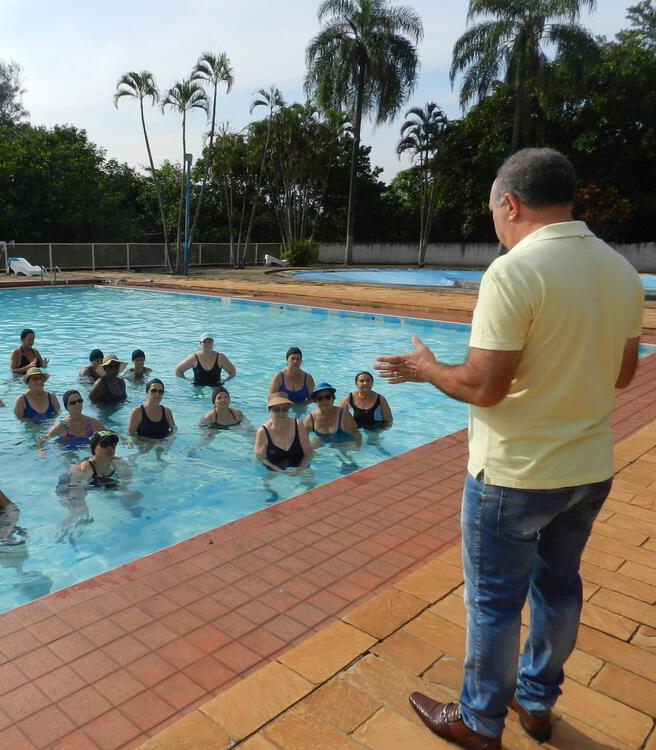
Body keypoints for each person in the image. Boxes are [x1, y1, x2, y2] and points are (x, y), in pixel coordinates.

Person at [373, 149, 644, 750]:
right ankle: (538, 700)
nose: (494, 224)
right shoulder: (622, 273)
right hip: (588, 469)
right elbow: (623, 375)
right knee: (559, 587)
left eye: (494, 211)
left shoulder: (514, 272)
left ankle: (478, 720)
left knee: (494, 604)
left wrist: (425, 368)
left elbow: (483, 386)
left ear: (511, 204)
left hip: (513, 476)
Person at [254, 394, 313, 472]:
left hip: (301, 468)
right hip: (274, 471)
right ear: (269, 411)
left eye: (285, 409)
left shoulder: (298, 425)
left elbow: (308, 454)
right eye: (276, 410)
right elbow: (261, 458)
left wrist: (300, 469)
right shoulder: (263, 432)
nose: (281, 413)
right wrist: (277, 470)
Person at [38, 390, 105, 451]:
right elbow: (43, 439)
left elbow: (107, 433)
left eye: (79, 401)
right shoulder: (63, 426)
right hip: (67, 447)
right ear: (67, 407)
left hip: (85, 445)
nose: (77, 404)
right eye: (73, 403)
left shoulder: (90, 422)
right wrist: (40, 451)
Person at [304, 383, 360, 449]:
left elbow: (357, 436)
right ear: (315, 401)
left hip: (345, 443)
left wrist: (355, 449)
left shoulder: (344, 416)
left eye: (327, 397)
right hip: (322, 441)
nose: (324, 400)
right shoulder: (310, 419)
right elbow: (302, 440)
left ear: (333, 398)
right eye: (320, 398)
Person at [68, 431, 132, 488]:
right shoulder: (85, 469)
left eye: (112, 444)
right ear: (94, 448)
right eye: (104, 444)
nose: (109, 447)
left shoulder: (121, 464)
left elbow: (127, 485)